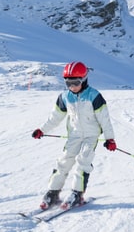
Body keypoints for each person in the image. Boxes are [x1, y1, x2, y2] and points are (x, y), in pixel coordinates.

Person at [31, 61, 116, 209]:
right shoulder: (65, 97)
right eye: (68, 83)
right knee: (63, 161)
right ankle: (53, 192)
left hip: (91, 136)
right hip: (74, 135)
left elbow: (104, 118)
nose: (72, 87)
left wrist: (110, 138)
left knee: (83, 161)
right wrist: (42, 130)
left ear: (83, 80)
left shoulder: (94, 96)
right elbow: (55, 117)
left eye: (75, 83)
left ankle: (77, 193)